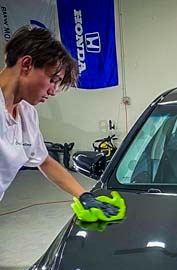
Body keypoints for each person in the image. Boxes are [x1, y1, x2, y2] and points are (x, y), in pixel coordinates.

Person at [0, 25, 117, 216]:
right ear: (27, 64)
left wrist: (84, 196)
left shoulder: (26, 114)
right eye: (53, 79)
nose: (53, 91)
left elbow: (44, 161)